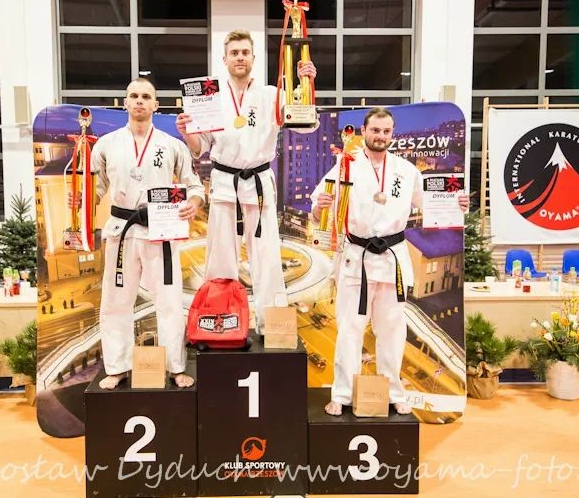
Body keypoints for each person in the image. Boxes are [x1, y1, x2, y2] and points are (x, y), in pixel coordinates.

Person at [311, 107, 469, 416]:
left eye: (386, 131)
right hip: (356, 257)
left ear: (392, 134)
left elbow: (434, 205)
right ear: (364, 132)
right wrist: (320, 206)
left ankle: (394, 392)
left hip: (392, 258)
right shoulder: (345, 166)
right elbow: (319, 207)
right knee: (350, 330)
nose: (380, 136)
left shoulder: (406, 171)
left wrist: (457, 203)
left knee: (393, 331)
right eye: (375, 130)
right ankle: (342, 393)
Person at [176, 29, 317, 332]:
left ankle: (272, 327)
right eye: (234, 53)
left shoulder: (272, 95)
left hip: (259, 183)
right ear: (224, 59)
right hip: (225, 183)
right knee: (220, 258)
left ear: (253, 57)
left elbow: (305, 125)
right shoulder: (211, 98)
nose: (240, 57)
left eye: (245, 53)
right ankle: (221, 324)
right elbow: (201, 147)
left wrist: (305, 86)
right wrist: (187, 133)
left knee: (266, 258)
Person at [88, 78, 204, 389]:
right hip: (122, 230)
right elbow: (96, 188)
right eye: (134, 96)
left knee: (169, 302)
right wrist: (82, 200)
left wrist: (193, 203)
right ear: (125, 102)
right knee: (116, 301)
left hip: (160, 230)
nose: (139, 101)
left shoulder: (172, 145)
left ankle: (175, 367)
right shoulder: (106, 144)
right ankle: (117, 367)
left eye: (146, 96)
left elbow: (194, 186)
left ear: (155, 105)